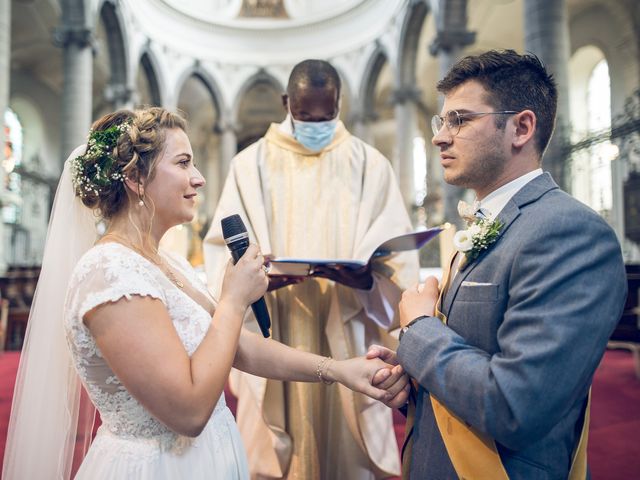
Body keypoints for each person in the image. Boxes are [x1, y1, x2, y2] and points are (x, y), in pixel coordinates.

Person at [2, 107, 409, 479]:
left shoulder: (167, 263)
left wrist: (338, 370)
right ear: (135, 178)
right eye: (183, 163)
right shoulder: (109, 273)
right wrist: (234, 299)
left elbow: (232, 345)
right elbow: (189, 410)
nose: (198, 178)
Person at [368, 49, 627, 479]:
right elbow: (473, 352)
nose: (439, 137)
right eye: (441, 121)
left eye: (460, 120)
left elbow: (515, 405)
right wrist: (411, 375)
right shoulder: (484, 225)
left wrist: (418, 330)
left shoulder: (571, 233)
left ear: (521, 127)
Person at [204, 59, 418, 479]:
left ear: (340, 103)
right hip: (276, 325)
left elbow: (398, 257)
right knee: (275, 453)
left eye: (327, 115)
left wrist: (369, 277)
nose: (316, 123)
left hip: (349, 325)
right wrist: (256, 281)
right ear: (287, 103)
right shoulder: (250, 165)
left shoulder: (369, 165)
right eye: (305, 115)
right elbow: (222, 253)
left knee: (347, 455)